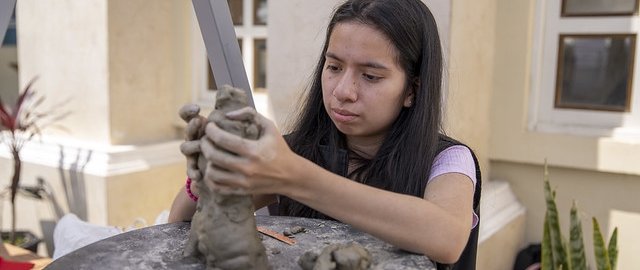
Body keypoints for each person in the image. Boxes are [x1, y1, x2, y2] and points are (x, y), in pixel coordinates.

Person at [168, 0, 481, 268]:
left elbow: (447, 237)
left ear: (412, 90)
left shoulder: (447, 160)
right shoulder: (292, 152)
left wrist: (293, 177)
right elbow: (182, 227)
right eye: (334, 67)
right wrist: (205, 180)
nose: (343, 91)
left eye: (371, 76)